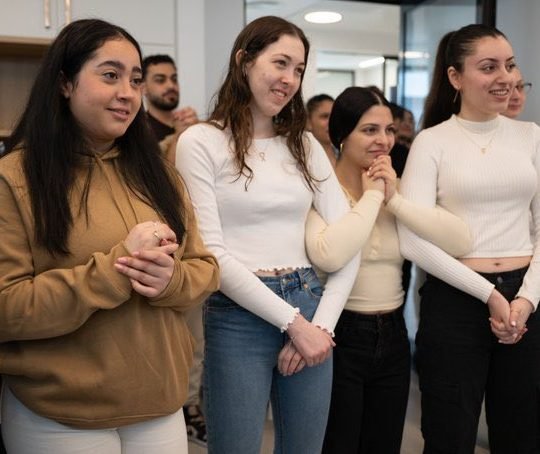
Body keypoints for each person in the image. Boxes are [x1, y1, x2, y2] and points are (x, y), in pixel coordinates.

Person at [0, 19, 219, 454]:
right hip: (60, 414)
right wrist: (115, 272)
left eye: (135, 80)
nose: (127, 93)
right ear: (65, 83)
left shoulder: (160, 176)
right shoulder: (15, 178)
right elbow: (8, 308)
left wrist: (170, 280)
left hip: (160, 403)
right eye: (110, 75)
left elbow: (205, 270)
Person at [176, 15, 359, 454]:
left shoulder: (305, 145)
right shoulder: (200, 142)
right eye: (280, 63)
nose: (290, 79)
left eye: (299, 69)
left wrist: (320, 327)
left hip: (310, 301)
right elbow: (212, 254)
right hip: (238, 314)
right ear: (244, 61)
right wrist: (294, 324)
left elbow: (348, 241)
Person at [304, 86, 472, 454]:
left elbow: (461, 240)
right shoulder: (321, 190)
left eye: (389, 130)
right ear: (340, 135)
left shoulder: (398, 188)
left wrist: (393, 198)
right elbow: (329, 255)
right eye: (370, 130)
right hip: (340, 334)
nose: (384, 140)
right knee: (338, 444)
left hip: (394, 335)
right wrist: (372, 197)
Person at [398, 24, 540, 453]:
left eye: (509, 65)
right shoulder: (431, 142)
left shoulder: (531, 136)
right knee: (449, 436)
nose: (505, 77)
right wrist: (489, 295)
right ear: (455, 77)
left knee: (522, 435)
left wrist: (525, 300)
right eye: (489, 67)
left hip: (526, 301)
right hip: (455, 302)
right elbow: (413, 242)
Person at [142, 54, 198, 162]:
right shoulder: (140, 131)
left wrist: (197, 129)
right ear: (143, 88)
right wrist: (179, 136)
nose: (171, 85)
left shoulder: (187, 121)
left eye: (174, 79)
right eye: (160, 80)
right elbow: (162, 171)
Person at [306, 93, 336, 166]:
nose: (332, 122)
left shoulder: (346, 155)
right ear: (309, 122)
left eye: (335, 116)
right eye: (325, 116)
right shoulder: (304, 160)